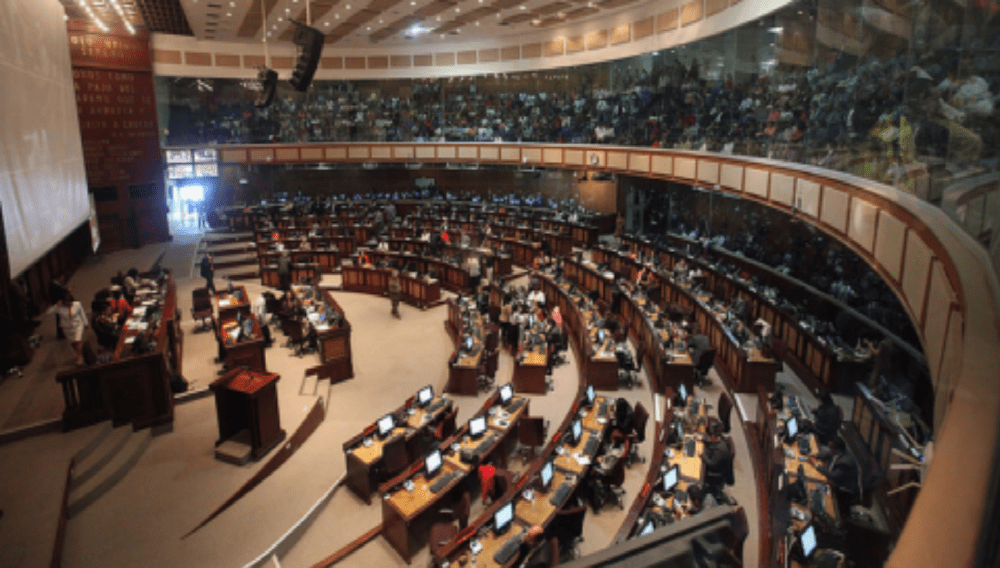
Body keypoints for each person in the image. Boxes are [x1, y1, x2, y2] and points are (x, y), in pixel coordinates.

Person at [810, 437, 860, 518]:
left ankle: (830, 515)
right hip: (839, 479)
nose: (829, 449)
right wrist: (816, 455)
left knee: (818, 486)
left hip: (845, 488)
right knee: (817, 481)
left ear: (837, 450)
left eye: (831, 448)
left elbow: (832, 475)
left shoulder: (845, 463)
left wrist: (817, 466)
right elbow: (828, 453)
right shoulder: (841, 452)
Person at [55, 293, 88, 366]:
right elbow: (49, 312)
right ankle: (80, 354)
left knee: (78, 341)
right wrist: (56, 305)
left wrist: (86, 323)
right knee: (73, 343)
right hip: (67, 328)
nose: (69, 304)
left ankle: (79, 357)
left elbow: (82, 313)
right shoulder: (59, 308)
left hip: (77, 325)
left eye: (70, 302)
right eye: (67, 303)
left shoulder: (77, 304)